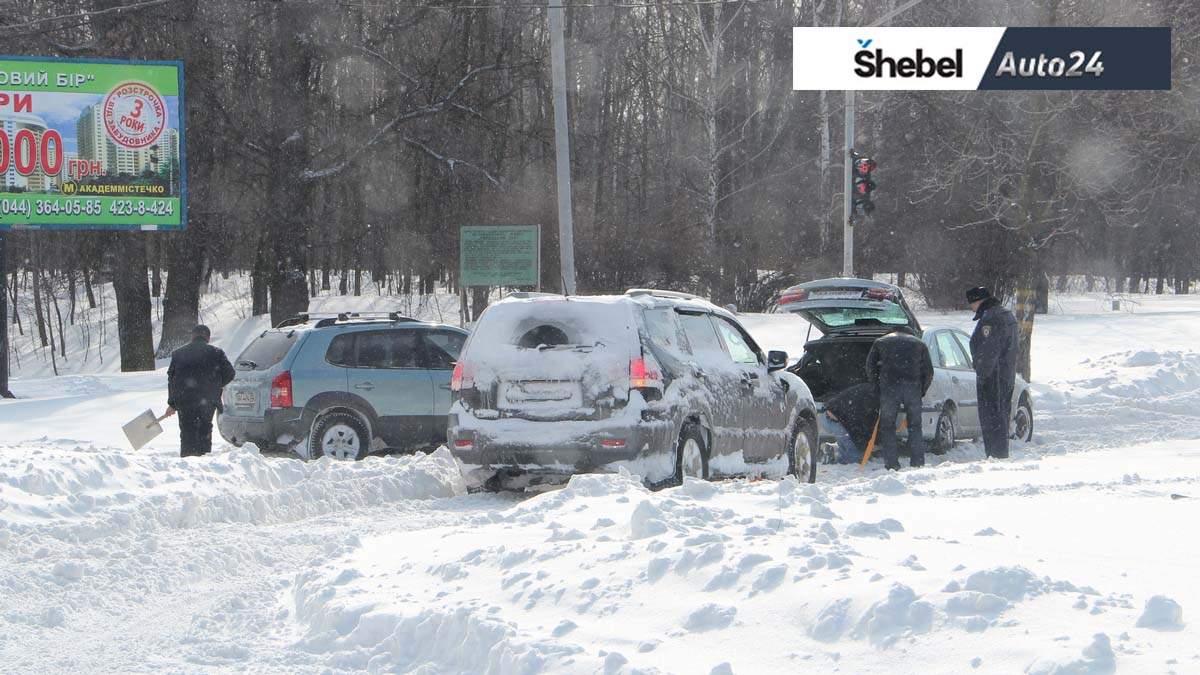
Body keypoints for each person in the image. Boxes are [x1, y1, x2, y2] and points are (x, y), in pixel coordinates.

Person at [866, 325, 934, 470]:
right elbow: (929, 371)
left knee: (887, 426)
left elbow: (869, 367)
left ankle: (892, 464)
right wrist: (922, 390)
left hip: (889, 388)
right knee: (915, 426)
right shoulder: (919, 343)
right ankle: (917, 462)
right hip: (913, 388)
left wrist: (877, 387)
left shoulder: (880, 342)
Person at [165, 325, 235, 457]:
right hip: (208, 400)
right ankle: (204, 460)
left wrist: (172, 403)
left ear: (192, 336)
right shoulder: (216, 353)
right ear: (208, 338)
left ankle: (187, 459)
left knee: (187, 431)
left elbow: (172, 380)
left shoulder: (178, 354)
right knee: (205, 429)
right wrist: (215, 386)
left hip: (184, 400)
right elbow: (230, 373)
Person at [966, 286, 1019, 459]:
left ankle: (996, 455)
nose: (971, 308)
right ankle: (1000, 453)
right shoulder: (1007, 314)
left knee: (991, 419)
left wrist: (982, 373)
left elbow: (988, 350)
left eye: (971, 303)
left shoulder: (991, 318)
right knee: (1001, 416)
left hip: (992, 377)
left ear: (978, 301)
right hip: (1006, 374)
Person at [822, 382, 879, 464]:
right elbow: (855, 426)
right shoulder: (868, 401)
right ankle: (834, 456)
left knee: (853, 449)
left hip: (833, 415)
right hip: (833, 418)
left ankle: (834, 449)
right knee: (854, 458)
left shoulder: (868, 390)